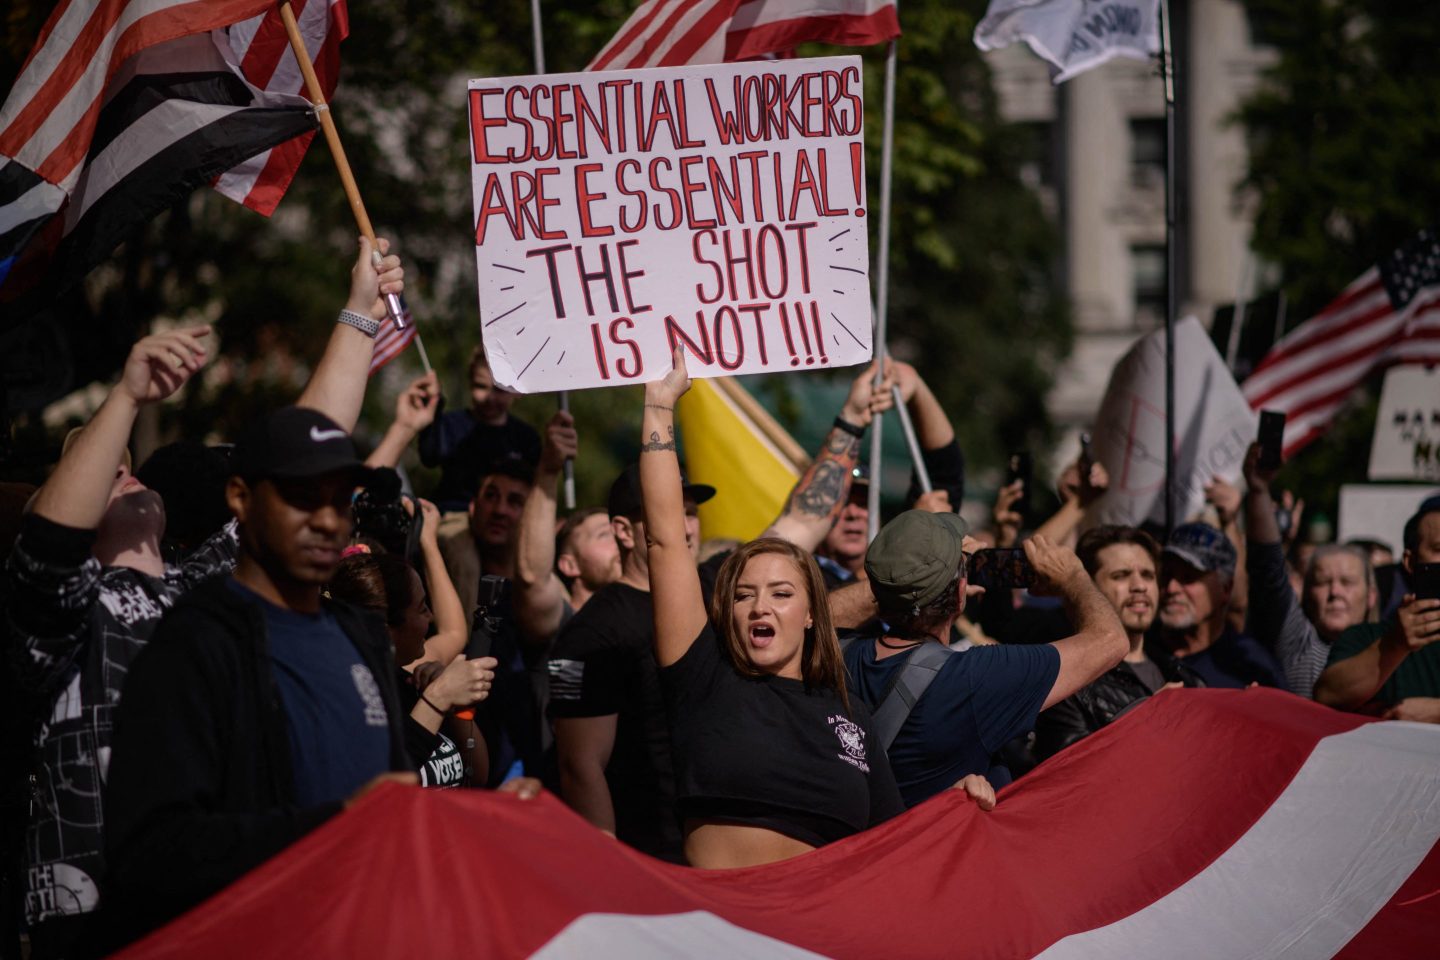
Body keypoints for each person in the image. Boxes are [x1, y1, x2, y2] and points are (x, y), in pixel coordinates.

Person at [3, 236, 404, 958]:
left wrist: (359, 310)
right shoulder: (60, 616)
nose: (117, 467)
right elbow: (47, 548)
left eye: (124, 463)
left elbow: (303, 450)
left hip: (228, 920)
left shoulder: (207, 592)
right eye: (94, 464)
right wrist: (124, 397)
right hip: (95, 927)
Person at [101, 407, 443, 946]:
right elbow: (151, 851)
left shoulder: (362, 636)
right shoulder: (193, 643)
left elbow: (393, 809)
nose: (329, 520)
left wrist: (485, 823)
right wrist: (334, 827)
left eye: (340, 500)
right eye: (303, 498)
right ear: (241, 498)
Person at [640, 349, 934, 868]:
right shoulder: (702, 672)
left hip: (825, 932)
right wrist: (660, 409)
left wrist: (964, 802)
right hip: (725, 931)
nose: (761, 607)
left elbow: (896, 848)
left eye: (781, 594)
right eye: (743, 594)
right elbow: (665, 540)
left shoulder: (849, 715)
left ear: (813, 613)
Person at [844, 511, 1127, 805]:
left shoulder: (835, 652)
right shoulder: (975, 677)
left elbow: (819, 611)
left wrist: (902, 580)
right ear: (960, 592)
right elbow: (1111, 641)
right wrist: (1072, 576)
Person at [326, 496, 498, 788]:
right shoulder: (341, 698)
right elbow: (381, 788)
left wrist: (455, 709)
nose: (431, 618)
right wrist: (438, 698)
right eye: (421, 609)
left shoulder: (410, 677)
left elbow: (477, 777)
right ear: (383, 628)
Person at [1034, 526, 1204, 760]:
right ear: (1088, 588)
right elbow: (1069, 778)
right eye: (1120, 576)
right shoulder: (1064, 685)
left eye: (1148, 575)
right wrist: (1146, 720)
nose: (1139, 586)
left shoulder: (1186, 678)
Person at [1242, 443, 1377, 697]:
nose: (1335, 592)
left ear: (1371, 595)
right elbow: (1268, 570)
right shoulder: (1298, 646)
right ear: (1305, 592)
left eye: (1347, 582)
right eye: (1322, 582)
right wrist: (1259, 490)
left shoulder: (1391, 650)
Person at [813, 359, 961, 589]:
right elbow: (838, 609)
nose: (855, 514)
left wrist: (917, 390)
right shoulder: (801, 580)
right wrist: (910, 544)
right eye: (843, 504)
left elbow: (942, 473)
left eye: (865, 503)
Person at [1314, 496, 1440, 720]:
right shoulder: (1367, 638)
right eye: (1439, 549)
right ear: (1411, 562)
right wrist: (1396, 644)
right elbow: (1327, 695)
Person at [1157, 522, 1288, 690]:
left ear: (1225, 589)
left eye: (1188, 577)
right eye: (1166, 575)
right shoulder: (1136, 652)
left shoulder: (1251, 668)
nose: (1171, 588)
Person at [419, 346, 541, 513]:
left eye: (499, 390)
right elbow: (429, 456)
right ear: (470, 384)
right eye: (481, 386)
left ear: (517, 391)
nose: (490, 398)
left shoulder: (526, 438)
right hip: (455, 514)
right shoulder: (451, 424)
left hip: (507, 519)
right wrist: (431, 413)